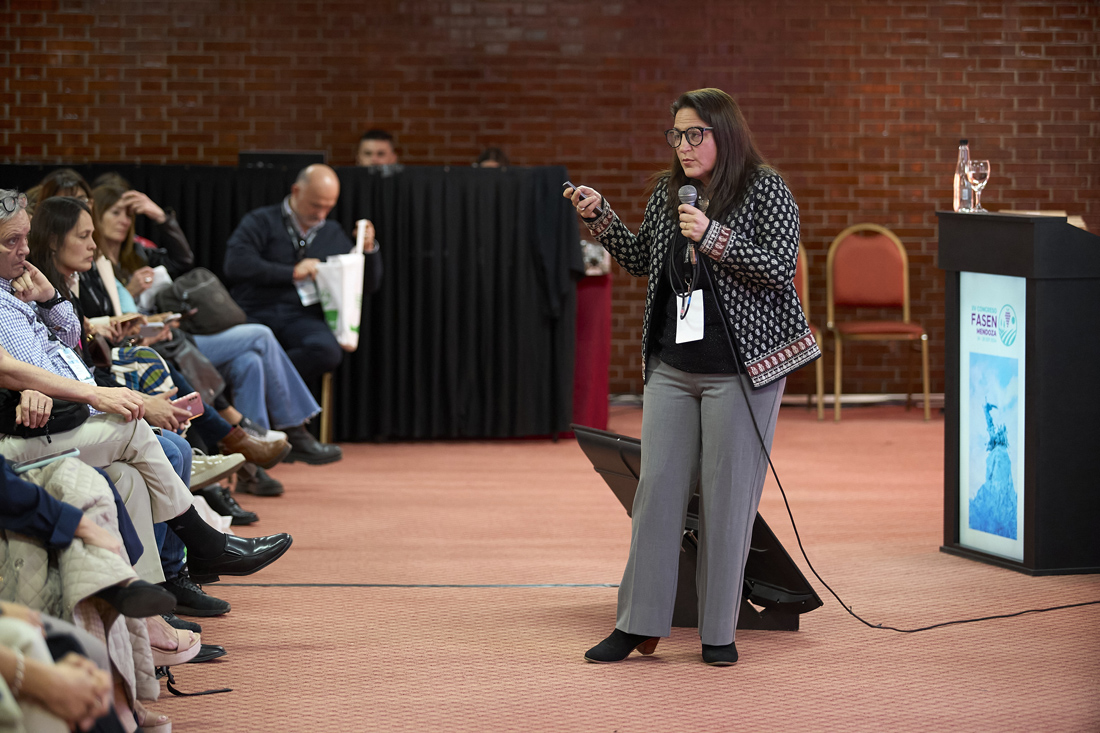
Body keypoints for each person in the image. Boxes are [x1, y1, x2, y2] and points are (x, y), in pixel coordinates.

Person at [566, 88, 820, 667]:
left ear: (723, 135)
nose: (683, 146)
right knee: (655, 494)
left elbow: (779, 267)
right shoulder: (668, 191)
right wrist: (600, 216)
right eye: (676, 135)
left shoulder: (765, 189)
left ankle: (718, 632)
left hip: (742, 370)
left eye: (694, 134)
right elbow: (641, 259)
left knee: (727, 501)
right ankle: (638, 624)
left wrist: (712, 235)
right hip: (673, 367)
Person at [223, 164, 383, 452]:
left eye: (328, 207)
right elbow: (236, 264)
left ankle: (269, 400)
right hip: (256, 310)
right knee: (253, 348)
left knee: (327, 350)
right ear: (296, 192)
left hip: (301, 316)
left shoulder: (332, 232)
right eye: (315, 205)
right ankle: (292, 429)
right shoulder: (261, 221)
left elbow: (365, 284)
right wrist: (291, 273)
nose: (321, 214)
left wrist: (368, 249)